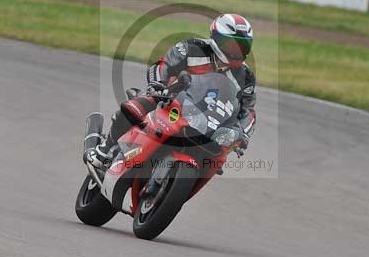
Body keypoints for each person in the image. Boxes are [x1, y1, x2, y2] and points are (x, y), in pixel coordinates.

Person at [85, 13, 257, 171]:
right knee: (135, 107)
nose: (237, 52)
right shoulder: (191, 47)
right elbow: (163, 65)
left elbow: (247, 110)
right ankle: (104, 151)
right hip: (171, 100)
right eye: (232, 45)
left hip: (209, 122)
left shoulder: (246, 77)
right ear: (217, 38)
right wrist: (158, 85)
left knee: (218, 157)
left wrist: (243, 134)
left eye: (242, 47)